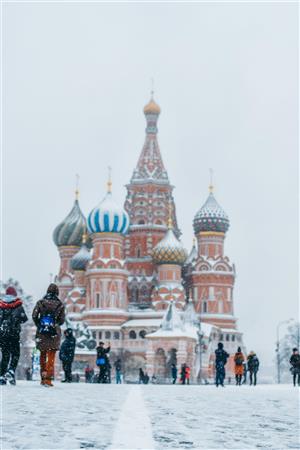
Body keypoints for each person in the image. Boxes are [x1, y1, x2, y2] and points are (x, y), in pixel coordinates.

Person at [32, 283, 65, 387]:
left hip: (42, 332)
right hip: (54, 333)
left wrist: (40, 324)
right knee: (51, 356)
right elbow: (62, 320)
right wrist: (55, 324)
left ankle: (43, 377)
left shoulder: (41, 302)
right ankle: (48, 379)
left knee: (42, 354)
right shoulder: (60, 305)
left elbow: (34, 315)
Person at [0, 286, 28, 385]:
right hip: (14, 334)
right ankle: (11, 371)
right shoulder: (18, 305)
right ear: (14, 294)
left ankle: (2, 376)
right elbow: (25, 319)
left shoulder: (1, 305)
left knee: (5, 355)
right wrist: (17, 320)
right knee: (15, 354)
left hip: (3, 335)